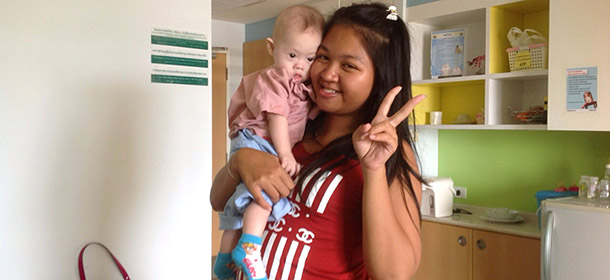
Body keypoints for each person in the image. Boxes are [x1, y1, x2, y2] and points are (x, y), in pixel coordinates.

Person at [211, 3, 426, 279]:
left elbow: (394, 274)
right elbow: (218, 200)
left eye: (348, 65)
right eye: (322, 57)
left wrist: (372, 170)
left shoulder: (390, 154)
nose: (327, 73)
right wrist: (239, 162)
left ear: (380, 76)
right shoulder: (294, 127)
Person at [213, 5, 325, 280]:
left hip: (256, 143)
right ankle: (249, 248)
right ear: (271, 48)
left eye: (310, 58)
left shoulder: (300, 85)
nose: (300, 65)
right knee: (266, 196)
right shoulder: (275, 79)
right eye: (292, 55)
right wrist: (285, 153)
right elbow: (276, 117)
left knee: (240, 203)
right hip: (257, 141)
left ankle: (224, 260)